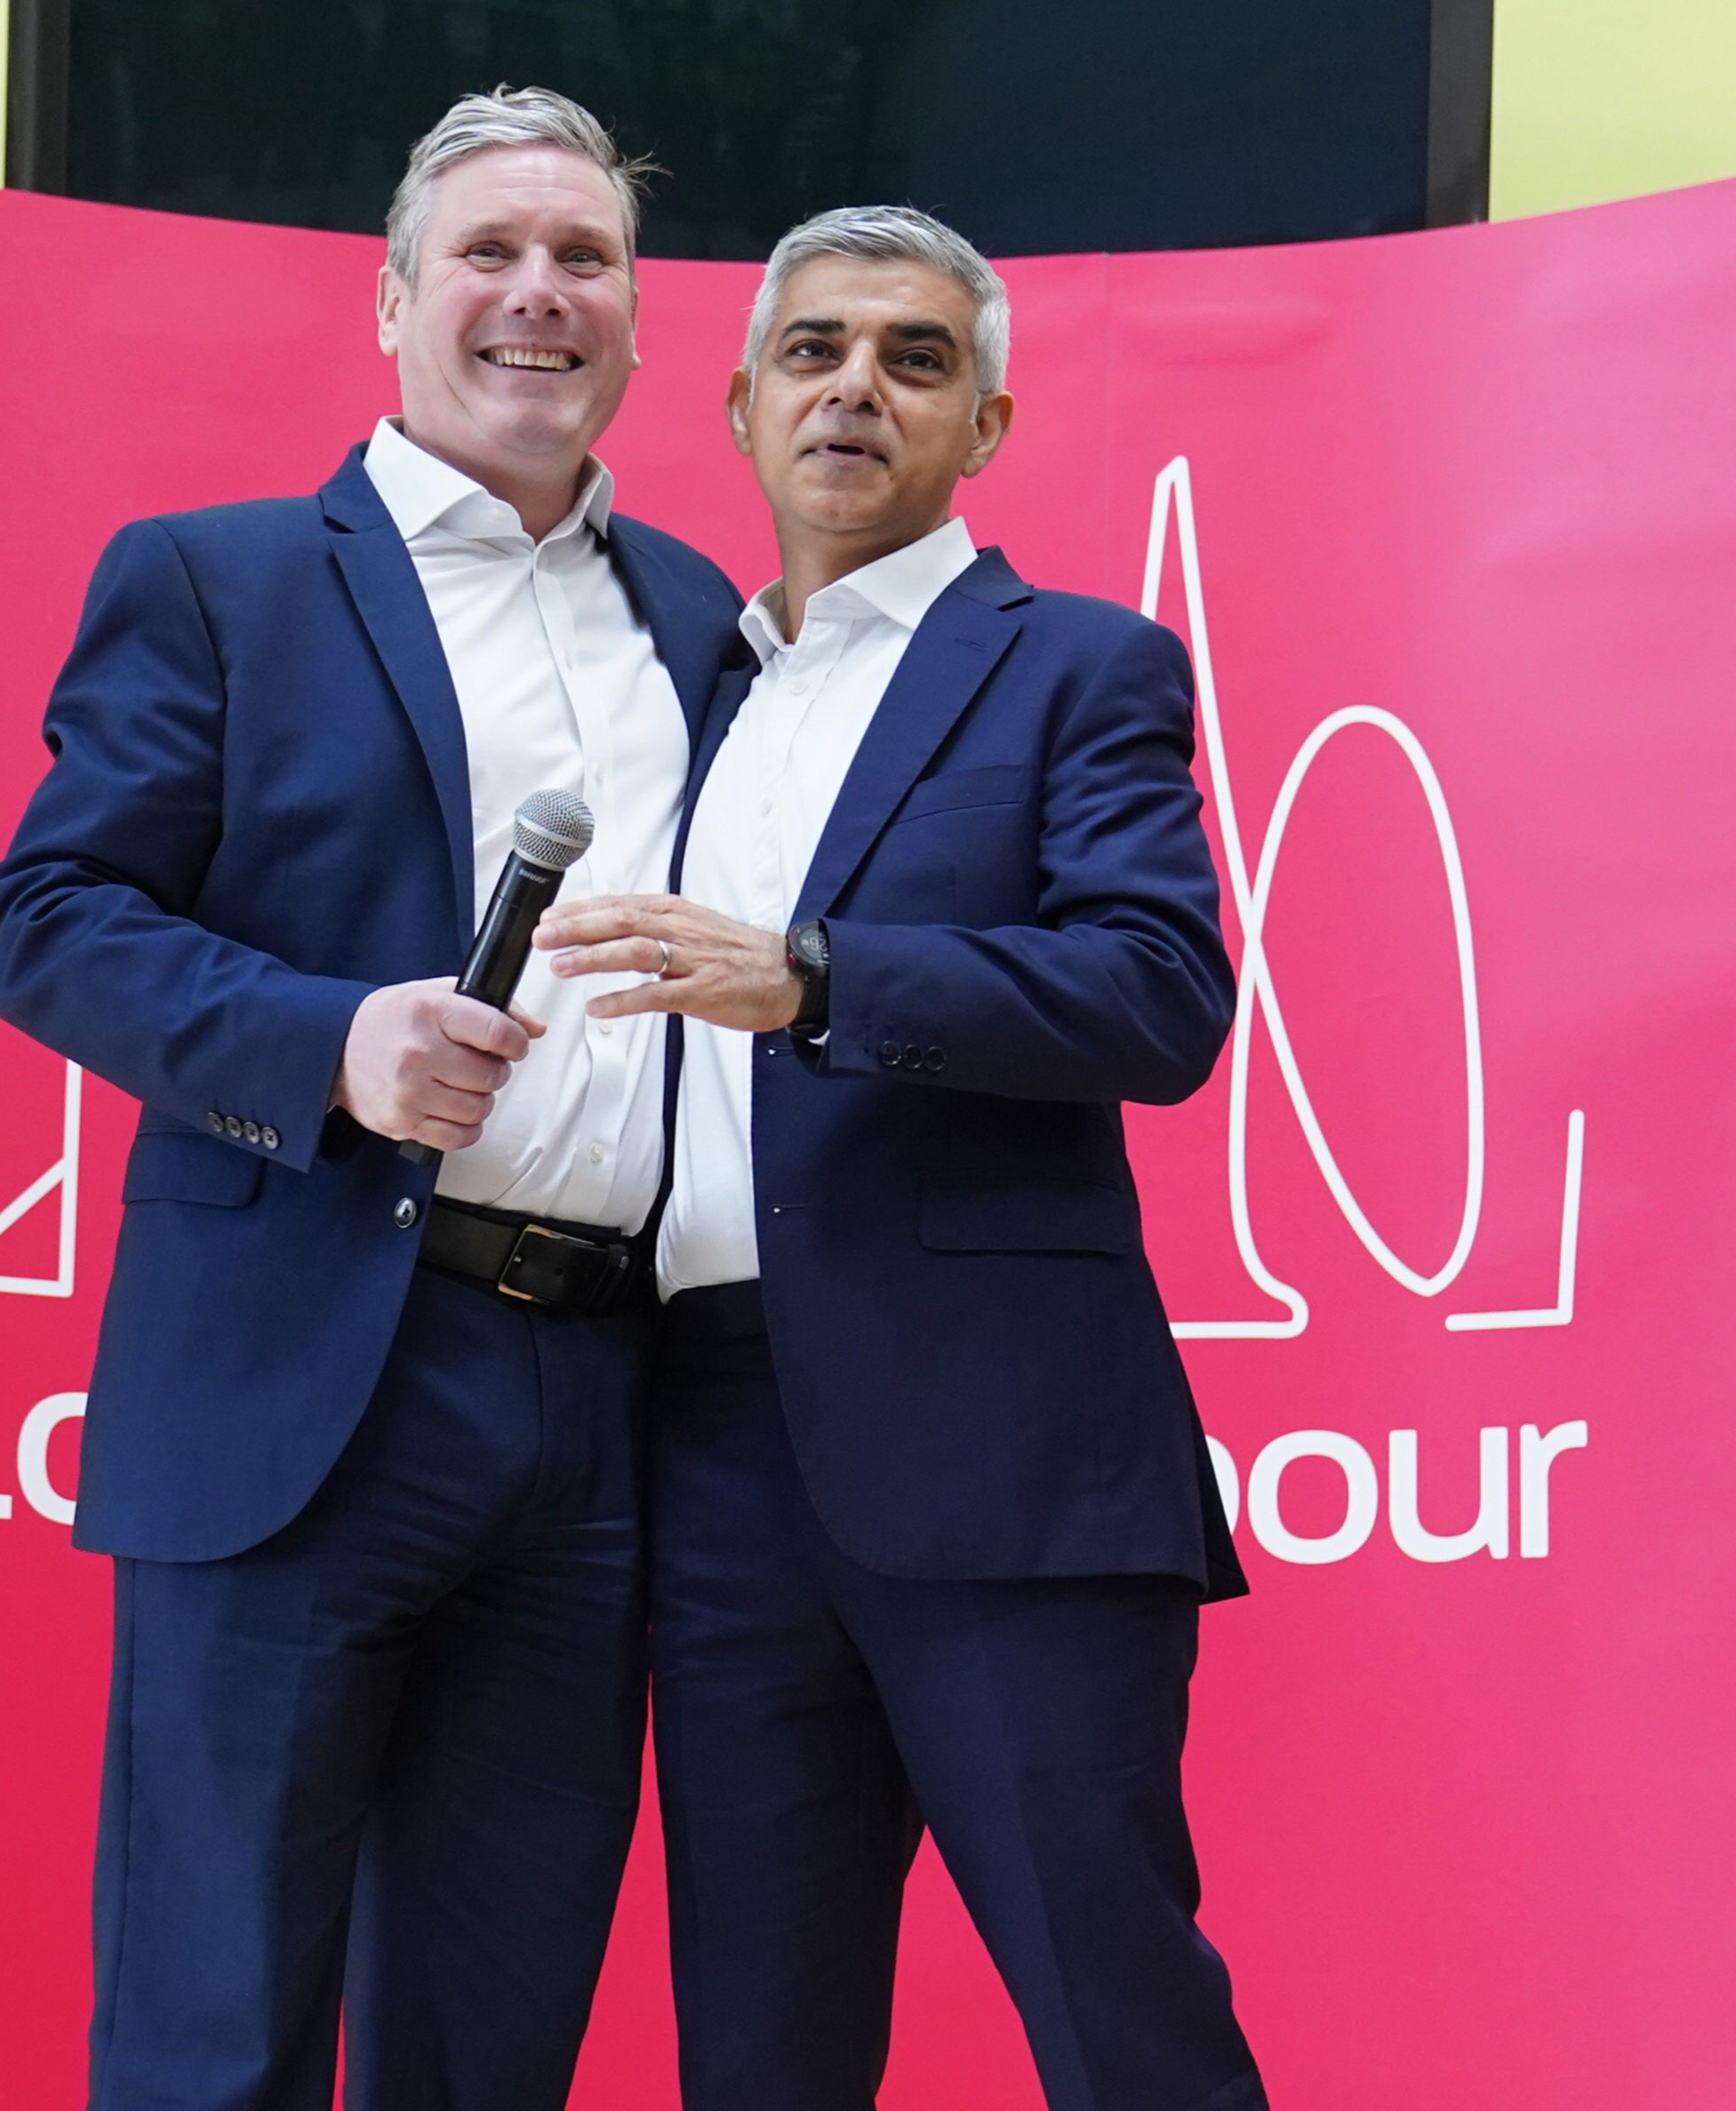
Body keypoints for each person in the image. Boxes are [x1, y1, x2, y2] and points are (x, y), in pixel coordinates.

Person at [0, 87, 742, 2111]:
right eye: (488, 253)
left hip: (603, 1411)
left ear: (639, 331)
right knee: (215, 2030)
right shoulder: (218, 581)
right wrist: (332, 1043)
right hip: (309, 1378)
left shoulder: (705, 624)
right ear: (395, 306)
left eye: (584, 257)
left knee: (496, 2044)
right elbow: (47, 919)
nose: (537, 292)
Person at [534, 205, 1269, 2111]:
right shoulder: (666, 693)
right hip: (704, 1451)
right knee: (758, 2051)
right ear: (741, 402)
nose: (856, 385)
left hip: (1004, 1456)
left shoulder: (1078, 668)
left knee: (1123, 2022)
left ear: (988, 424)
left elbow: (1159, 994)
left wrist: (816, 975)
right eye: (815, 350)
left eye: (914, 358)